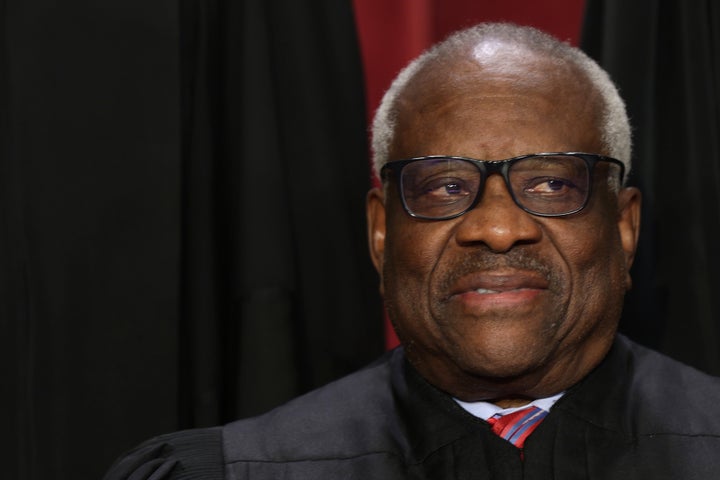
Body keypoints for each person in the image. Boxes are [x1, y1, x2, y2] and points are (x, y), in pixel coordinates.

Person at [104, 23, 720, 479]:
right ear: (380, 235)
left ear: (624, 229)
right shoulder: (238, 472)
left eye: (553, 184)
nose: (499, 229)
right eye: (445, 187)